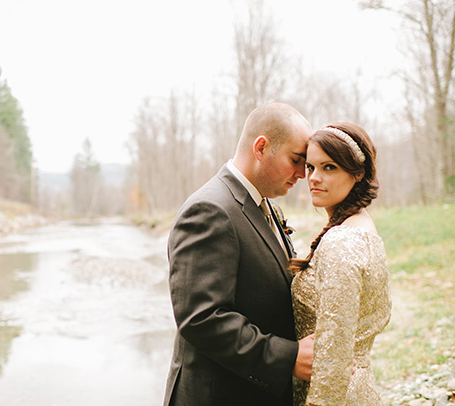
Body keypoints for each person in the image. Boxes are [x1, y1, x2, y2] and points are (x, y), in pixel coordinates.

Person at [163, 101, 315, 406]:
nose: (302, 173)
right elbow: (201, 318)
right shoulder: (209, 210)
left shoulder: (265, 202)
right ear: (261, 148)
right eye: (296, 159)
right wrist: (288, 358)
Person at [289, 123, 391, 405]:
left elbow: (334, 354)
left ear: (358, 173)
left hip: (335, 393)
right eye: (310, 167)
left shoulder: (343, 243)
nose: (314, 178)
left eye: (329, 167)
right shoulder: (358, 226)